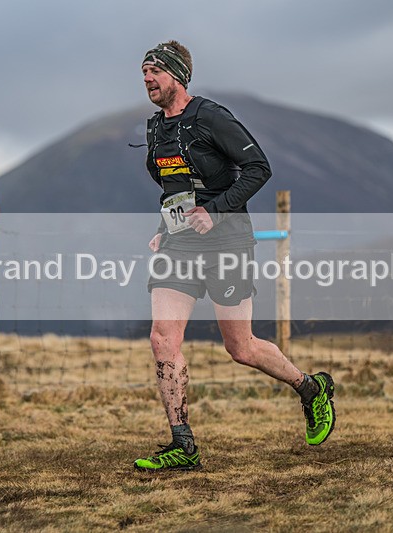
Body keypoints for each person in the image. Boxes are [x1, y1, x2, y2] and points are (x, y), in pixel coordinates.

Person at [134, 41, 335, 471]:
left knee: (240, 347)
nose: (147, 78)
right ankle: (182, 445)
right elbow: (174, 188)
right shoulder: (156, 129)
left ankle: (310, 388)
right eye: (143, 71)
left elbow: (259, 168)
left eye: (154, 70)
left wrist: (216, 210)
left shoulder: (211, 117)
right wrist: (161, 229)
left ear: (177, 76)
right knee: (162, 339)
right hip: (179, 244)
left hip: (227, 241)